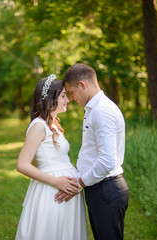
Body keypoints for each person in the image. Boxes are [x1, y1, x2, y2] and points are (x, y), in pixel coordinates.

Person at [55, 63, 129, 240]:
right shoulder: (93, 109)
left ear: (82, 85)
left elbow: (107, 161)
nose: (71, 98)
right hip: (99, 188)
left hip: (106, 189)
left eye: (71, 92)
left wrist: (79, 183)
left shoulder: (102, 111)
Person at [15, 74, 88, 240]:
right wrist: (56, 180)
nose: (67, 100)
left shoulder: (53, 124)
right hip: (52, 189)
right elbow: (22, 164)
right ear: (50, 99)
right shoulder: (39, 126)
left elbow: (37, 156)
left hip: (64, 188)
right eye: (63, 96)